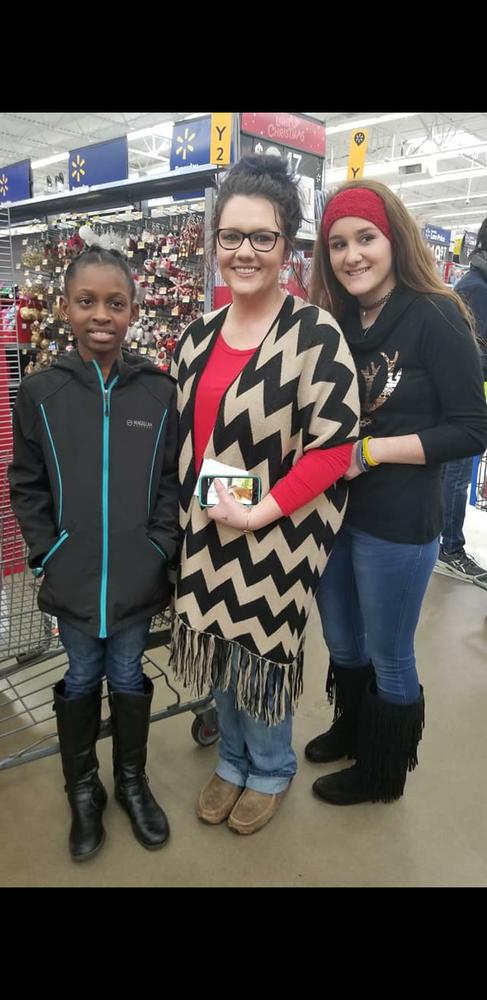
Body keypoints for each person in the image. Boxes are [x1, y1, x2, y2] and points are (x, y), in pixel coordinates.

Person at [170, 155, 360, 835]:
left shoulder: (313, 335)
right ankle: (229, 759)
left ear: (287, 246)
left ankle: (270, 769)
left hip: (276, 529)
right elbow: (183, 437)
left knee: (260, 653)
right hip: (207, 524)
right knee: (219, 650)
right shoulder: (194, 339)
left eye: (262, 237)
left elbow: (334, 447)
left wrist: (259, 511)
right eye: (231, 236)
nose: (244, 252)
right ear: (214, 239)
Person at [306, 179, 487, 806]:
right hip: (331, 512)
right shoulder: (337, 320)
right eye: (337, 244)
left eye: (365, 238)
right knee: (341, 638)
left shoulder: (436, 312)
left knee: (387, 652)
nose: (352, 255)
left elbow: (472, 427)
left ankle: (382, 771)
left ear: (394, 239)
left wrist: (371, 450)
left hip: (399, 519)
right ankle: (351, 726)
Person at [8, 247, 179, 861]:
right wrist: (46, 548)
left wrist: (160, 542)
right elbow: (25, 481)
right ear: (65, 308)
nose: (101, 315)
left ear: (133, 312)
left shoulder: (160, 394)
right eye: (87, 302)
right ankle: (83, 791)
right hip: (74, 578)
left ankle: (132, 783)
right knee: (82, 676)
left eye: (115, 303)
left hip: (136, 579)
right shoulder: (40, 393)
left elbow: (170, 481)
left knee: (129, 675)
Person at [435, 217, 487, 582]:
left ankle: (446, 542)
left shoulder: (475, 283)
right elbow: (475, 355)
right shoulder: (477, 288)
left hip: (464, 400)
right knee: (456, 475)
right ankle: (449, 547)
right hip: (466, 403)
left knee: (453, 474)